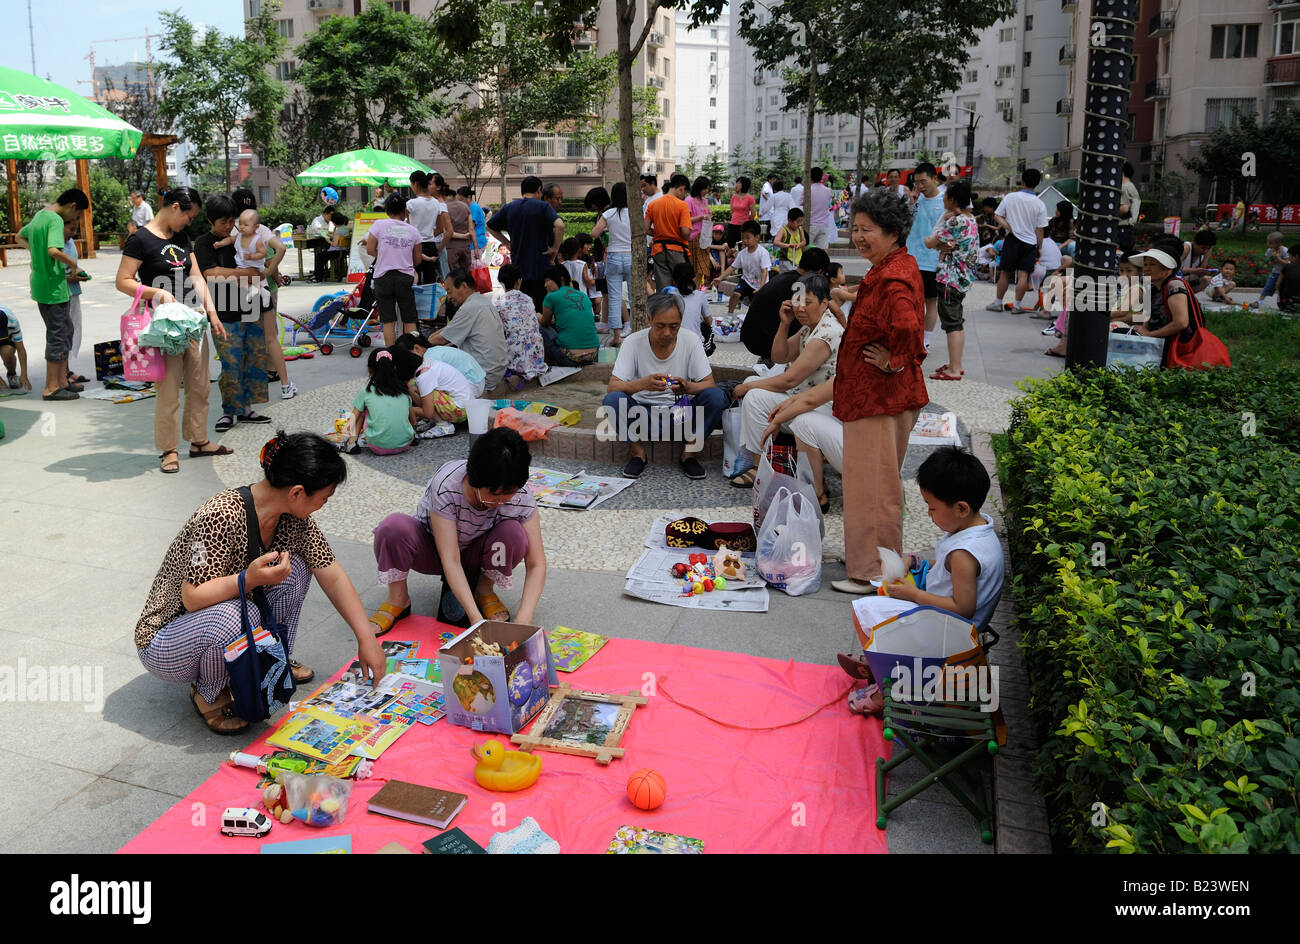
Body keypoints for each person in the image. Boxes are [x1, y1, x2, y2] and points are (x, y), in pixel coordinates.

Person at [136, 431, 386, 733]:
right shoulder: (219, 514)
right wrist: (247, 579)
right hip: (168, 643)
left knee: (296, 572)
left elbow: (329, 570)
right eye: (323, 498)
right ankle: (209, 692)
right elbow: (191, 598)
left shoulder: (295, 518)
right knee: (237, 616)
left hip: (221, 624)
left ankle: (270, 661)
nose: (323, 505)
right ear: (296, 493)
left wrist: (366, 638)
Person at [837, 446, 1005, 715]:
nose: (929, 513)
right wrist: (915, 562)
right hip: (951, 624)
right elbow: (949, 571)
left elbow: (963, 608)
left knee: (865, 612)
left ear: (961, 508)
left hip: (951, 635)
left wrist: (913, 595)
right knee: (882, 606)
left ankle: (889, 688)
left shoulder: (964, 554)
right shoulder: (977, 529)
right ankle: (884, 664)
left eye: (932, 507)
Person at [831, 189, 928, 594]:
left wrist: (898, 359)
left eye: (866, 229)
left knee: (873, 486)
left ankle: (871, 571)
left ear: (891, 231)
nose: (857, 236)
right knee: (874, 484)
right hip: (879, 396)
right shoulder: (895, 265)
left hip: (879, 397)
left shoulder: (892, 275)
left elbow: (907, 326)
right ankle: (869, 556)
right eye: (854, 228)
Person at [368, 428, 547, 631]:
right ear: (475, 480)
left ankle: (484, 590)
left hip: (478, 554)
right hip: (435, 551)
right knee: (393, 528)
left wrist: (524, 618)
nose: (500, 502)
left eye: (508, 494)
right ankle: (398, 598)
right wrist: (475, 619)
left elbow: (536, 564)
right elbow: (450, 559)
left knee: (513, 534)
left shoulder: (519, 496)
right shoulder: (447, 485)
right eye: (494, 496)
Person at [116, 187, 232, 473]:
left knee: (199, 385)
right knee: (169, 390)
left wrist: (212, 313)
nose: (189, 223)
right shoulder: (140, 239)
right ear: (176, 207)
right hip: (164, 326)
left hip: (192, 320)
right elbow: (123, 281)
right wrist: (156, 293)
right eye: (189, 217)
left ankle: (198, 440)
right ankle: (169, 449)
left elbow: (196, 276)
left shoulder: (181, 238)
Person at [730, 273, 843, 504]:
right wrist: (784, 323)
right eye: (797, 301)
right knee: (755, 398)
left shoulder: (827, 331)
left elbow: (790, 379)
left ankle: (814, 485)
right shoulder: (808, 327)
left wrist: (749, 384)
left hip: (823, 406)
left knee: (753, 393)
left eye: (807, 302)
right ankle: (760, 466)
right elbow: (779, 356)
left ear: (824, 303)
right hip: (800, 398)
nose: (800, 308)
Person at [600, 292, 727, 480]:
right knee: (612, 400)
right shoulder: (633, 342)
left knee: (716, 397)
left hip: (680, 414)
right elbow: (612, 388)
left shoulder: (691, 341)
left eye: (674, 326)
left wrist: (688, 387)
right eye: (660, 326)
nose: (667, 333)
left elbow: (710, 384)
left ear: (681, 321)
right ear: (649, 319)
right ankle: (638, 454)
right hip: (643, 415)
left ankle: (689, 455)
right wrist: (641, 385)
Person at [194, 194, 272, 434]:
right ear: (210, 221)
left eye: (231, 220)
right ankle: (229, 411)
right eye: (223, 222)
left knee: (254, 357)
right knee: (231, 362)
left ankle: (247, 408)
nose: (229, 226)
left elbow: (264, 260)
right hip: (223, 311)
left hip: (251, 305)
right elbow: (211, 272)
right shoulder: (204, 243)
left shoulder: (243, 236)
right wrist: (247, 273)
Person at [15, 188, 89, 401]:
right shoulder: (56, 220)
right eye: (76, 216)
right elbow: (54, 251)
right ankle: (51, 387)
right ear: (73, 206)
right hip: (52, 288)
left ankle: (63, 381)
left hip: (44, 284)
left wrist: (35, 252)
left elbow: (20, 236)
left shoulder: (40, 215)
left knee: (65, 331)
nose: (75, 220)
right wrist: (74, 265)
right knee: (57, 335)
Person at [230, 188, 295, 398]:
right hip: (264, 285)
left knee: (245, 333)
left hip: (240, 288)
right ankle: (281, 379)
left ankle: (248, 377)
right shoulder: (261, 228)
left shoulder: (232, 231)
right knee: (271, 335)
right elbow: (277, 252)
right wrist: (271, 272)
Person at [924, 179, 979, 382]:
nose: (943, 199)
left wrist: (942, 221)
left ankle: (954, 369)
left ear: (953, 199)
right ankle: (956, 364)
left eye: (945, 196)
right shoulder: (970, 218)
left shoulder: (954, 221)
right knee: (956, 321)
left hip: (950, 278)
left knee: (952, 324)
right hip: (962, 278)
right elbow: (949, 244)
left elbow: (929, 241)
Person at [737, 246, 832, 358]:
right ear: (819, 272)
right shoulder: (801, 285)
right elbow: (831, 308)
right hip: (763, 341)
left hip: (750, 335)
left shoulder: (785, 277)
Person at [487, 176, 564, 310]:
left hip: (518, 270)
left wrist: (507, 243)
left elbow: (489, 226)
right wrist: (554, 249)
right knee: (540, 308)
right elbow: (560, 225)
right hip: (540, 268)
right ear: (539, 190)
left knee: (523, 308)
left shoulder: (509, 207)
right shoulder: (543, 206)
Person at [427, 268, 508, 391]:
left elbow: (441, 339)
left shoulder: (469, 308)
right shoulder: (482, 301)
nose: (448, 297)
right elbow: (450, 329)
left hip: (483, 375)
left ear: (463, 286)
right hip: (495, 372)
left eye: (449, 291)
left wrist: (425, 343)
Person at [365, 193, 424, 348]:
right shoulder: (413, 231)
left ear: (387, 210)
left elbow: (370, 249)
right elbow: (417, 260)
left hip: (382, 278)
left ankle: (391, 353)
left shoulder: (378, 225)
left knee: (388, 320)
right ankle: (412, 352)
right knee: (409, 318)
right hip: (405, 277)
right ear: (405, 211)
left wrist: (385, 255)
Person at [987, 168, 1048, 314]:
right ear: (1037, 183)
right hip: (1030, 243)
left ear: (1022, 181)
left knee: (1005, 273)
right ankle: (1017, 305)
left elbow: (997, 216)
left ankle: (997, 303)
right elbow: (1040, 230)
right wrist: (1039, 247)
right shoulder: (1040, 204)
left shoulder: (1010, 197)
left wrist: (1008, 226)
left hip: (1012, 240)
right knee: (1023, 275)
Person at [1128, 244, 1199, 368]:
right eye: (1145, 265)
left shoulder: (1175, 285)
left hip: (1178, 347)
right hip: (1159, 344)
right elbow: (1146, 318)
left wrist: (1150, 335)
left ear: (1167, 269)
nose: (1146, 269)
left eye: (1152, 264)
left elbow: (1181, 323)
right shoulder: (1154, 289)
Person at [341, 348, 416, 455]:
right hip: (405, 444)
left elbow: (352, 420)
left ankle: (352, 444)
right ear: (393, 367)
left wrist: (345, 434)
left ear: (369, 369)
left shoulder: (367, 391)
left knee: (363, 410)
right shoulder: (404, 390)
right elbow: (414, 422)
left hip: (378, 446)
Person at [904, 162, 945, 350]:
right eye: (916, 182)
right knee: (910, 300)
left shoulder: (945, 201)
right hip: (911, 258)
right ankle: (912, 335)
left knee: (930, 301)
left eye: (923, 181)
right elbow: (903, 223)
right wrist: (911, 202)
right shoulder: (914, 200)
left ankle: (925, 340)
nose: (920, 186)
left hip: (932, 261)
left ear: (934, 179)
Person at [592, 182, 633, 345]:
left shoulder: (608, 213)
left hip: (613, 256)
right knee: (632, 295)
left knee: (615, 297)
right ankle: (634, 329)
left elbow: (594, 233)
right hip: (630, 255)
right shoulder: (634, 213)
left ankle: (616, 337)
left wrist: (607, 230)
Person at [492, 263, 548, 383]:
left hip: (514, 355)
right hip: (537, 355)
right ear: (519, 281)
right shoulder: (528, 299)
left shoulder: (498, 302)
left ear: (501, 282)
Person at [539, 264, 600, 367]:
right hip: (593, 356)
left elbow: (545, 323)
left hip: (570, 358)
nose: (545, 285)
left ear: (561, 279)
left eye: (547, 280)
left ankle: (547, 367)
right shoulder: (584, 296)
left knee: (541, 329)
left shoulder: (551, 297)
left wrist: (537, 316)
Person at [646, 173, 692, 291]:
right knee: (682, 284)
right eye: (684, 192)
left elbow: (645, 228)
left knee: (663, 286)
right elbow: (685, 232)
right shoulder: (682, 206)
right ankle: (681, 308)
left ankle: (666, 308)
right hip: (677, 250)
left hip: (658, 250)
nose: (684, 195)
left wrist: (658, 234)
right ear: (681, 188)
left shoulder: (652, 204)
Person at [714, 221, 770, 314]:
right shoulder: (742, 253)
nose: (744, 240)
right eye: (743, 238)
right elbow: (732, 267)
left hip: (760, 284)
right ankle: (729, 315)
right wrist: (720, 278)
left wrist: (761, 287)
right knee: (736, 294)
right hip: (746, 280)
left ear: (757, 237)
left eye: (748, 238)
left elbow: (765, 271)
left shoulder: (763, 253)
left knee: (756, 306)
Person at [408, 171, 452, 285]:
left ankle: (416, 302)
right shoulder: (436, 203)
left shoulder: (411, 204)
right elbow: (440, 228)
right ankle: (430, 302)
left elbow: (405, 226)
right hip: (430, 245)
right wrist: (428, 233)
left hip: (414, 246)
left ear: (416, 184)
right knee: (430, 281)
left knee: (414, 279)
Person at [62, 218, 91, 383]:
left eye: (75, 230)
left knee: (72, 330)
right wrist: (71, 278)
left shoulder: (71, 242)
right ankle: (62, 374)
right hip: (60, 294)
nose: (72, 233)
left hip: (73, 292)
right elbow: (51, 275)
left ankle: (66, 370)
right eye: (70, 229)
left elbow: (74, 265)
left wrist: (81, 273)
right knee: (63, 333)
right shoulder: (53, 246)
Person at [669, 261, 714, 353]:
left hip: (672, 342)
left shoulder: (668, 295)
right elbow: (709, 321)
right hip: (695, 344)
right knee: (707, 328)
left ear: (673, 280)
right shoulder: (699, 295)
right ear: (694, 279)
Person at [686, 176, 714, 289]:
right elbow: (686, 220)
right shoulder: (689, 200)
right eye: (705, 189)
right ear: (699, 188)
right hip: (693, 237)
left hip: (704, 237)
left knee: (702, 267)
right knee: (693, 267)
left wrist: (708, 216)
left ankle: (696, 289)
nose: (706, 191)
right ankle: (692, 289)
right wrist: (701, 217)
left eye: (708, 189)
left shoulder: (705, 201)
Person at [445, 188, 476, 273]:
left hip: (451, 246)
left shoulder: (444, 207)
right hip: (465, 245)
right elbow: (471, 229)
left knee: (454, 275)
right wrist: (476, 248)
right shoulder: (465, 206)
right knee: (466, 272)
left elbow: (446, 231)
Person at [0, 305, 31, 391]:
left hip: (6, 335)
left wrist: (24, 374)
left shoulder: (13, 322)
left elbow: (21, 349)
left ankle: (11, 375)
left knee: (8, 352)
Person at [806, 167, 835, 250]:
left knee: (807, 249)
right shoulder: (828, 190)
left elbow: (802, 202)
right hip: (824, 224)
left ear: (810, 177)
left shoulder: (808, 190)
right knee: (822, 251)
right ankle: (822, 263)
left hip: (811, 224)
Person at [1258, 232, 1290, 306]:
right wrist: (1274, 259)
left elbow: (1288, 263)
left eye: (1270, 243)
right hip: (1275, 272)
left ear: (1279, 243)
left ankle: (1282, 302)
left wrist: (1279, 258)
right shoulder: (1269, 251)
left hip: (1284, 273)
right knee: (1268, 286)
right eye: (1267, 242)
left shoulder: (1285, 251)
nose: (1268, 244)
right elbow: (1271, 263)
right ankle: (1260, 301)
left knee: (1281, 289)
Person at [306, 205, 336, 283]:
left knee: (321, 256)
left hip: (329, 243)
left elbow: (332, 231)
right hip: (318, 242)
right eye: (330, 216)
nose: (331, 218)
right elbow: (319, 231)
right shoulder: (317, 220)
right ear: (325, 214)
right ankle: (319, 275)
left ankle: (321, 274)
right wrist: (328, 237)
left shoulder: (331, 222)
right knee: (320, 255)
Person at [773, 207, 806, 273]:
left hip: (798, 260)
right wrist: (788, 245)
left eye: (801, 222)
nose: (799, 224)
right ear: (789, 220)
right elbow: (775, 242)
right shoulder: (783, 230)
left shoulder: (800, 229)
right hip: (786, 261)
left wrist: (799, 244)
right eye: (798, 222)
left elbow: (804, 241)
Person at [727, 176, 756, 248]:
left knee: (743, 247)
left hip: (744, 226)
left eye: (738, 183)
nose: (736, 185)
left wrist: (748, 224)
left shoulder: (750, 198)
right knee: (731, 246)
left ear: (744, 185)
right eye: (736, 183)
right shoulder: (733, 197)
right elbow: (732, 211)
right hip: (733, 224)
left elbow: (753, 213)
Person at [1118, 161, 1140, 255]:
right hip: (1128, 230)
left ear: (1122, 172)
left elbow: (1124, 208)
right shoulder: (1131, 187)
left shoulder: (1124, 187)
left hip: (1121, 229)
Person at [1277, 244, 1300, 312]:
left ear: (1296, 256)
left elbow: (1277, 285)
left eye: (1289, 256)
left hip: (1287, 304)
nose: (1289, 259)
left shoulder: (1287, 267)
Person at [758, 172, 776, 239]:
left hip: (768, 210)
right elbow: (763, 194)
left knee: (769, 225)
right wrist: (769, 201)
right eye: (773, 179)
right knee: (766, 226)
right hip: (766, 210)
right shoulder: (766, 185)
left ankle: (768, 238)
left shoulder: (769, 186)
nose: (774, 181)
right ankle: (766, 239)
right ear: (769, 179)